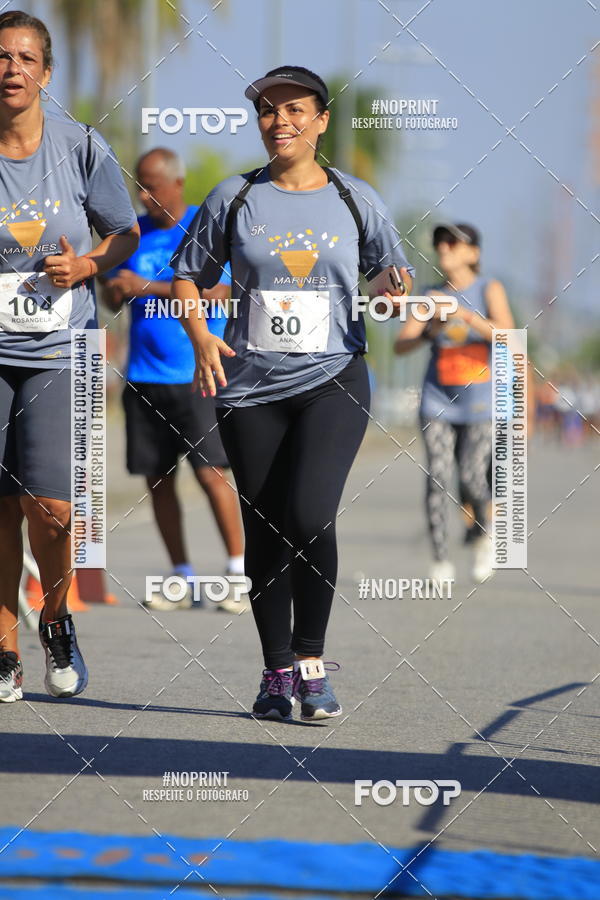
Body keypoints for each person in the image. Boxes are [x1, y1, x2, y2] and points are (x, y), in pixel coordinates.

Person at [170, 65, 414, 721]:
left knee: (310, 516)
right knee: (267, 528)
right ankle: (276, 672)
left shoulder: (355, 199)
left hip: (333, 378)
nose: (281, 121)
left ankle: (312, 663)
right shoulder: (233, 198)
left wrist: (396, 295)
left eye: (295, 109)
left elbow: (393, 277)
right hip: (248, 386)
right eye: (269, 111)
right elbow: (189, 277)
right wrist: (198, 337)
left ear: (322, 120)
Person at [0, 10, 139, 702]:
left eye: (25, 58)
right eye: (1, 57)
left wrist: (85, 266)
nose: (11, 69)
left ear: (45, 74)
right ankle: (3, 648)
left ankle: (54, 618)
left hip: (58, 348)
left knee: (50, 506)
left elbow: (124, 233)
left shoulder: (80, 146)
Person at [101, 148, 245, 613]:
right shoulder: (134, 234)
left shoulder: (204, 229)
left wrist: (143, 286)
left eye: (151, 186)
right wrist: (112, 284)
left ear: (177, 184)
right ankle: (181, 575)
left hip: (198, 374)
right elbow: (115, 293)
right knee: (157, 480)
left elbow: (220, 291)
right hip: (143, 377)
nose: (143, 195)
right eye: (138, 185)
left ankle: (238, 573)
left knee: (210, 474)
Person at [394, 223, 514, 584]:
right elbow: (402, 346)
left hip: (482, 403)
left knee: (473, 474)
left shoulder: (488, 288)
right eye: (439, 242)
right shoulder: (430, 295)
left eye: (452, 242)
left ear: (473, 253)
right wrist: (430, 326)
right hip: (437, 402)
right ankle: (441, 561)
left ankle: (483, 536)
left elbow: (508, 335)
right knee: (437, 476)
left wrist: (465, 316)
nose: (443, 247)